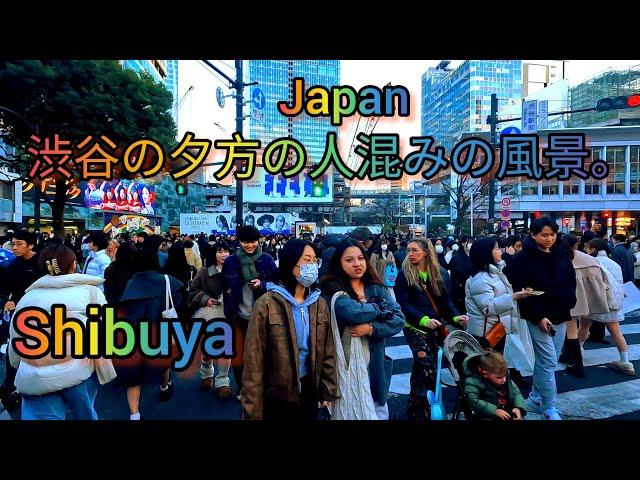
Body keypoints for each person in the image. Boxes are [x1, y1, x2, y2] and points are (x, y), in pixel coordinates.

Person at [9, 244, 115, 420]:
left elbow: (16, 340)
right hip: (80, 370)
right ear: (74, 264)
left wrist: (18, 364)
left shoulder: (26, 299)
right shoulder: (91, 293)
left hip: (36, 376)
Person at [242, 239, 337, 420]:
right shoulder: (267, 304)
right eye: (306, 260)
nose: (312, 266)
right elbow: (253, 361)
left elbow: (328, 351)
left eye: (315, 260)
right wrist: (252, 408)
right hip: (277, 394)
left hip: (309, 388)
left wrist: (327, 390)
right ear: (289, 262)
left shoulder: (319, 303)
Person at [321, 239, 404, 420]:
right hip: (345, 368)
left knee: (377, 409)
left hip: (374, 364)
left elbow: (398, 320)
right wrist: (379, 309)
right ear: (339, 263)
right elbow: (351, 313)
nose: (357, 264)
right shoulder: (333, 291)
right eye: (349, 260)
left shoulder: (376, 288)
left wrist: (371, 328)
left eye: (360, 258)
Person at [510, 217, 577, 420]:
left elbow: (570, 281)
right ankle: (549, 406)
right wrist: (538, 316)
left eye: (552, 234)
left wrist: (569, 302)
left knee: (549, 359)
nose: (549, 239)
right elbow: (520, 290)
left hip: (561, 312)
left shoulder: (561, 254)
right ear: (533, 234)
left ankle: (535, 397)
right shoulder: (522, 258)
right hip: (536, 315)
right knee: (548, 361)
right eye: (544, 235)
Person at [394, 237, 468, 420]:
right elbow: (403, 303)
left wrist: (455, 316)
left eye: (415, 250)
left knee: (423, 369)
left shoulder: (440, 273)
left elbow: (445, 302)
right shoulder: (404, 274)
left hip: (435, 327)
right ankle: (425, 410)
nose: (410, 254)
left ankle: (415, 407)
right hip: (414, 327)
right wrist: (422, 319)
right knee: (427, 367)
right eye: (409, 250)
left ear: (426, 252)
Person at [116, 243, 184, 420]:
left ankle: (134, 414)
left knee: (133, 376)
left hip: (133, 335)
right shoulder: (168, 281)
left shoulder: (129, 284)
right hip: (160, 332)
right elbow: (180, 304)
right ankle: (165, 386)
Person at [221, 225, 278, 397]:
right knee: (240, 356)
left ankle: (261, 388)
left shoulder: (267, 260)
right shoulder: (231, 262)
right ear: (239, 241)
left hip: (262, 316)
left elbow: (277, 285)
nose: (250, 245)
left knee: (263, 355)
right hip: (238, 316)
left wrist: (262, 284)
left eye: (253, 241)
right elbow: (225, 286)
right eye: (245, 242)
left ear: (259, 240)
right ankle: (243, 389)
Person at [0, 230, 44, 411]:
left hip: (40, 314)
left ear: (31, 245)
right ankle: (10, 385)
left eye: (19, 244)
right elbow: (4, 288)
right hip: (18, 315)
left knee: (36, 350)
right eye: (13, 244)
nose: (15, 248)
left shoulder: (42, 264)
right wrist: (6, 301)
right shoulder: (12, 265)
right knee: (15, 349)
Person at [465, 237, 534, 352]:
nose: (500, 251)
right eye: (497, 248)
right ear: (486, 253)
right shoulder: (481, 279)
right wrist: (514, 297)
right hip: (488, 334)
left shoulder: (495, 273)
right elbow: (488, 308)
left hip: (498, 330)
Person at [579, 239, 635, 375]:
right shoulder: (614, 264)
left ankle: (577, 353)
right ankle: (625, 362)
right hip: (613, 302)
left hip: (595, 301)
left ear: (593, 249)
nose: (586, 251)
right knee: (616, 332)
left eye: (587, 248)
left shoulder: (592, 262)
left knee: (584, 327)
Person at [189, 240, 233, 399]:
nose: (223, 255)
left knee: (225, 350)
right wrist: (204, 299)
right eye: (220, 251)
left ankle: (223, 381)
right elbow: (193, 290)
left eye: (226, 251)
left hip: (228, 313)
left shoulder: (235, 269)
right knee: (208, 349)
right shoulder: (204, 272)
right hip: (208, 314)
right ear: (214, 254)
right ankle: (206, 372)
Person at [462, 351, 527, 420]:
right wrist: (494, 411)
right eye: (499, 377)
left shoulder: (501, 373)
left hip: (505, 409)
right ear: (485, 374)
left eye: (504, 376)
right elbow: (474, 401)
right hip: (486, 413)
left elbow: (516, 392)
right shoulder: (472, 382)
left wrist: (518, 408)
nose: (504, 380)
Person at [448, 234, 473, 313]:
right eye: (469, 242)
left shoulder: (473, 256)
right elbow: (460, 273)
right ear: (463, 243)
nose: (471, 244)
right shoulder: (457, 258)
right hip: (461, 291)